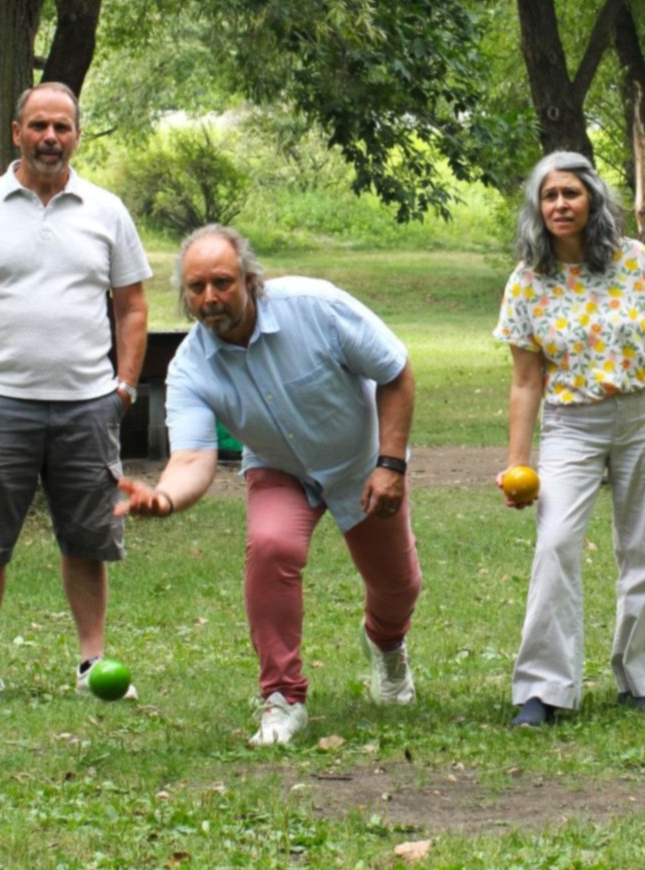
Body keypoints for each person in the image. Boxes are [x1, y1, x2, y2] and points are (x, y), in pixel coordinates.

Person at [115, 225, 420, 748]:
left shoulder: (316, 307)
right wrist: (164, 497)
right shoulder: (190, 367)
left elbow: (395, 371)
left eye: (222, 282)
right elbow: (191, 457)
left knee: (398, 586)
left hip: (360, 466)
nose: (209, 298)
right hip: (279, 467)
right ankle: (282, 698)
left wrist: (390, 464)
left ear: (251, 280)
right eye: (196, 288)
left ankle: (386, 646)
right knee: (271, 545)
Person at [0, 82, 151, 704]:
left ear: (77, 134)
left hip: (88, 405)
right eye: (39, 126)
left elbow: (132, 307)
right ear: (16, 131)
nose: (50, 138)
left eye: (63, 127)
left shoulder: (106, 211)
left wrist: (123, 389)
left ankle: (91, 663)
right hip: (0, 402)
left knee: (88, 538)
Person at [494, 152, 645, 727]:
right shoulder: (528, 281)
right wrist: (516, 462)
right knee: (555, 544)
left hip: (644, 419)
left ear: (592, 201)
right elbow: (525, 379)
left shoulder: (634, 261)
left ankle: (639, 678)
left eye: (571, 194)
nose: (560, 204)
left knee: (641, 552)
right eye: (549, 195)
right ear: (538, 206)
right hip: (572, 425)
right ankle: (543, 688)